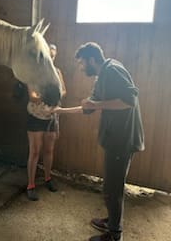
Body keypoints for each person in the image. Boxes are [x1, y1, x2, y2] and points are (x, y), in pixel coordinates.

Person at [55, 42, 144, 241]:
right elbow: (88, 107)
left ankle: (114, 234)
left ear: (91, 59)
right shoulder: (101, 77)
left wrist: (98, 104)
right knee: (109, 186)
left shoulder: (113, 70)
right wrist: (59, 111)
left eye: (81, 64)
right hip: (114, 139)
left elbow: (130, 100)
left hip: (123, 139)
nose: (81, 68)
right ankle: (112, 220)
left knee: (113, 188)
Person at [26, 43, 66, 201]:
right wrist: (47, 96)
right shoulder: (32, 74)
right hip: (36, 116)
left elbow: (63, 90)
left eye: (53, 55)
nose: (51, 58)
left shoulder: (57, 72)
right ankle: (30, 185)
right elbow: (32, 96)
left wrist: (56, 94)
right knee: (35, 151)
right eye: (48, 55)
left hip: (52, 116)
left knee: (49, 150)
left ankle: (48, 178)